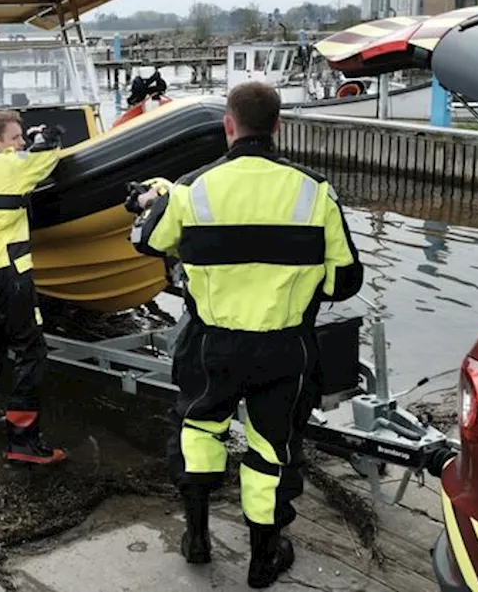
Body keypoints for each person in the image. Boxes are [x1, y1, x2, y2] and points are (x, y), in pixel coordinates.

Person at [128, 81, 363, 588]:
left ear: (228, 126)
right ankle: (263, 559)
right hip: (284, 347)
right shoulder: (314, 191)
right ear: (278, 126)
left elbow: (148, 241)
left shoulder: (193, 188)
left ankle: (196, 537)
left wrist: (156, 198)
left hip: (211, 343)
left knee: (198, 431)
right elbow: (345, 281)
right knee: (271, 449)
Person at [0, 110, 66, 465]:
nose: (21, 143)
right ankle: (23, 442)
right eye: (15, 138)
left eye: (23, 137)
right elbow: (47, 158)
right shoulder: (11, 167)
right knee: (31, 351)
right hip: (9, 270)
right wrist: (47, 137)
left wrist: (29, 143)